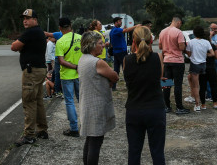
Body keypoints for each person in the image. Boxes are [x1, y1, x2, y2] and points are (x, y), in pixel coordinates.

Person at [124, 26, 166, 164]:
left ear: (133, 41)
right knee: (157, 152)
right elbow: (159, 77)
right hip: (155, 109)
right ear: (151, 40)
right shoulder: (157, 57)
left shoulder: (126, 60)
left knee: (134, 152)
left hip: (134, 109)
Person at [78, 31, 118, 165]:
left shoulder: (83, 59)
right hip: (97, 106)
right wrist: (111, 78)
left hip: (87, 103)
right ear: (92, 45)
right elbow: (115, 76)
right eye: (100, 43)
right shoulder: (97, 62)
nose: (103, 46)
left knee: (90, 139)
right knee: (96, 141)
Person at [11, 9, 49, 146]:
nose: (25, 20)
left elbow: (14, 46)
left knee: (29, 102)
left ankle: (29, 135)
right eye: (23, 18)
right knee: (38, 101)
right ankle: (42, 130)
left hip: (31, 71)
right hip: (40, 69)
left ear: (35, 19)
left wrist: (20, 45)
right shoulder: (38, 31)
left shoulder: (30, 32)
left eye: (28, 18)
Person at [55, 17, 82, 137]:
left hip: (66, 76)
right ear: (71, 25)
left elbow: (61, 61)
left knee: (70, 102)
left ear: (60, 28)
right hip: (80, 74)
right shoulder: (80, 38)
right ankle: (87, 126)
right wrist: (78, 67)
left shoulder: (60, 41)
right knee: (82, 101)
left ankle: (74, 128)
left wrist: (73, 67)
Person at [158, 16, 189, 115]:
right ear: (178, 22)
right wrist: (185, 45)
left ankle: (166, 106)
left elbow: (160, 46)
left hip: (167, 60)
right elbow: (181, 47)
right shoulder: (178, 32)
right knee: (178, 85)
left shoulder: (162, 32)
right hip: (177, 61)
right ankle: (179, 107)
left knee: (166, 84)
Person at [185, 26, 214, 111]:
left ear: (194, 33)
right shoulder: (206, 42)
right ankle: (203, 104)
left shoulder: (191, 42)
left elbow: (189, 54)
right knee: (203, 85)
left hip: (195, 64)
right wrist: (205, 55)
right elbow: (212, 54)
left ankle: (197, 104)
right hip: (203, 64)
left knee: (195, 86)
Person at [110, 16, 139, 91]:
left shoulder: (112, 30)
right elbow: (126, 30)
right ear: (116, 22)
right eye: (119, 21)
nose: (121, 22)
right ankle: (128, 85)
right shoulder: (116, 30)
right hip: (121, 52)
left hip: (116, 52)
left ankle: (113, 86)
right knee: (126, 68)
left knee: (116, 69)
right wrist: (136, 26)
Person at [199, 30, 217, 110]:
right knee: (213, 85)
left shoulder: (199, 46)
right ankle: (215, 103)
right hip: (211, 68)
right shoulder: (211, 45)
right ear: (208, 37)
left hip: (202, 67)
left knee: (202, 87)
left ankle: (203, 105)